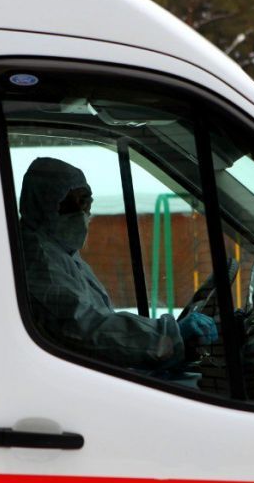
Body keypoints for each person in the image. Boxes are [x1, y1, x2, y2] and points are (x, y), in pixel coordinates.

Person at [18, 156, 217, 371]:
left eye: (87, 203)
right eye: (75, 203)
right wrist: (166, 335)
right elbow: (87, 328)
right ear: (46, 204)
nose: (84, 213)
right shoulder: (39, 260)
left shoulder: (60, 251)